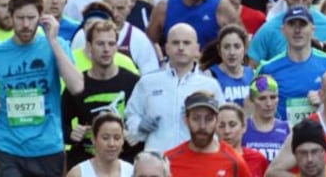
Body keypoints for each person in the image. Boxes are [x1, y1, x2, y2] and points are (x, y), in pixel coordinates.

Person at [0, 0, 84, 175]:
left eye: (31, 18)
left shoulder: (56, 46)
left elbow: (77, 86)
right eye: (20, 18)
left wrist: (53, 41)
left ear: (41, 17)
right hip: (7, 145)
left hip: (47, 146)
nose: (25, 24)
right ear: (10, 16)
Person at [125, 24, 224, 153]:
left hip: (196, 161)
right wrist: (139, 127)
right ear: (166, 48)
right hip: (158, 161)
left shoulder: (210, 85)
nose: (181, 48)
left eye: (187, 43)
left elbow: (221, 121)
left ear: (197, 49)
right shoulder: (148, 82)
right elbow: (131, 114)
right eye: (175, 43)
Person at [63, 19, 142, 168]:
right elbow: (60, 121)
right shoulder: (78, 83)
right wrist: (71, 134)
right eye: (100, 44)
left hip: (125, 162)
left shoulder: (133, 82)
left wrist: (137, 134)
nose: (106, 49)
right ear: (89, 47)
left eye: (111, 44)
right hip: (85, 161)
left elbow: (148, 120)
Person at [255, 5, 326, 125]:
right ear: (283, 30)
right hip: (282, 139)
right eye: (292, 24)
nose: (297, 30)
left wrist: (325, 99)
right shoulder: (268, 68)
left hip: (320, 137)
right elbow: (254, 106)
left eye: (303, 24)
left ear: (313, 29)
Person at [164, 92, 252, 177]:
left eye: (209, 119)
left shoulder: (234, 162)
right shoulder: (168, 161)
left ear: (216, 121)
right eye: (196, 118)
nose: (202, 126)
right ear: (186, 121)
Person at [66, 113, 136, 177]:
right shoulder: (78, 173)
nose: (111, 144)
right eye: (105, 138)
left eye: (117, 138)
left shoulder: (131, 172)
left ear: (123, 140)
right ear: (93, 139)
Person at [243, 75, 290, 163]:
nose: (268, 103)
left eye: (273, 97)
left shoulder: (288, 129)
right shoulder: (243, 129)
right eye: (262, 98)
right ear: (252, 100)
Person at [217, 102, 269, 177]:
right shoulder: (209, 160)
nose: (227, 131)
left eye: (232, 125)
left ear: (244, 127)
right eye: (221, 126)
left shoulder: (258, 159)